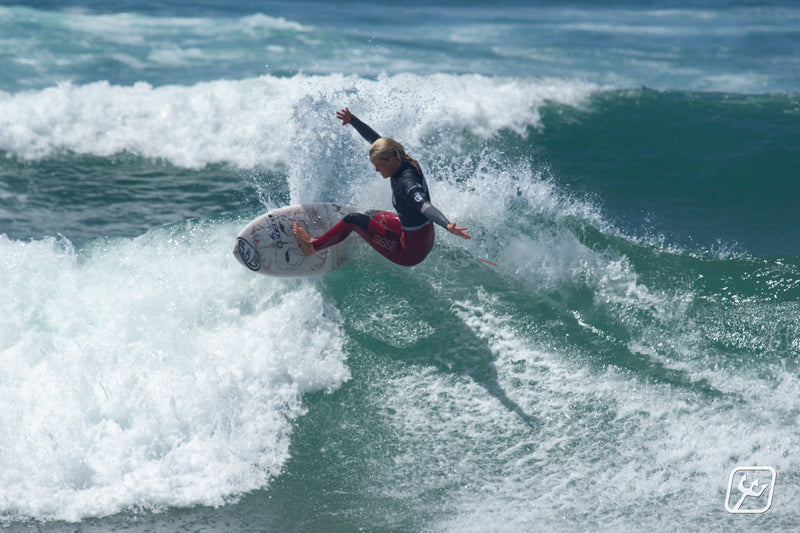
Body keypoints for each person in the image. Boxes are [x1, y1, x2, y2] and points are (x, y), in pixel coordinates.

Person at [292, 107, 470, 267]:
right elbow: (376, 140)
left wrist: (447, 225)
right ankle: (349, 242)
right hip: (422, 236)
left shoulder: (406, 183)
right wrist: (353, 120)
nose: (376, 170)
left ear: (391, 160)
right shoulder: (401, 158)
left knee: (354, 219)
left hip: (409, 252)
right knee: (370, 216)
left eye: (378, 165)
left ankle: (312, 246)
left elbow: (425, 206)